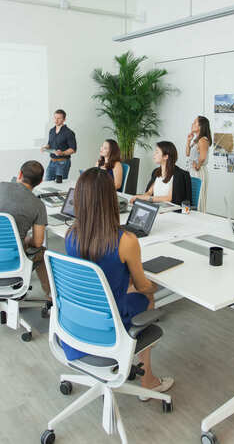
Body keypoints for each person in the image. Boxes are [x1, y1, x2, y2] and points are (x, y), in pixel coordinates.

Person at [62, 168, 174, 397]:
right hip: (108, 329)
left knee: (127, 289)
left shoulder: (71, 235)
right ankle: (148, 380)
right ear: (110, 200)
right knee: (147, 296)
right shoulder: (126, 241)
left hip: (74, 325)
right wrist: (154, 287)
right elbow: (143, 286)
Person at [0, 160, 51, 299]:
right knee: (43, 253)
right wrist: (24, 238)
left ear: (19, 174)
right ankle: (52, 296)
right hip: (9, 262)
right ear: (40, 181)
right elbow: (37, 242)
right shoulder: (38, 205)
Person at [131, 141, 191, 206]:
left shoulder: (178, 175)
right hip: (157, 207)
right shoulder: (156, 172)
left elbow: (169, 198)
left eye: (157, 152)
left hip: (170, 211)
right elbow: (149, 192)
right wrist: (140, 198)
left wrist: (148, 199)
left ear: (166, 157)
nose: (154, 154)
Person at [184, 116, 211, 212]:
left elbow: (203, 157)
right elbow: (187, 154)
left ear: (200, 126)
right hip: (191, 171)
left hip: (198, 172)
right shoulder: (196, 139)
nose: (192, 124)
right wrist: (188, 141)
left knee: (198, 200)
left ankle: (200, 221)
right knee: (191, 198)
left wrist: (198, 165)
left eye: (195, 122)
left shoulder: (203, 140)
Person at [41, 109, 77, 181]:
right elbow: (49, 144)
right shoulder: (51, 131)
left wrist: (62, 153)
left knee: (60, 187)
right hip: (52, 162)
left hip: (63, 163)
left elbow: (73, 149)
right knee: (47, 184)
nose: (56, 120)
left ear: (64, 119)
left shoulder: (69, 132)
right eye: (55, 118)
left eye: (59, 118)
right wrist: (45, 147)